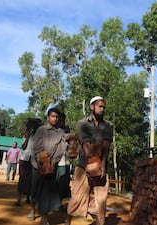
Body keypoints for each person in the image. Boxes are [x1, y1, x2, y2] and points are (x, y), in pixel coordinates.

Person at [66, 96, 113, 225]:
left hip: (101, 167)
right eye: (100, 106)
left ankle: (100, 223)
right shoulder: (82, 124)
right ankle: (67, 221)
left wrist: (102, 163)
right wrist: (89, 164)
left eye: (104, 107)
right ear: (92, 107)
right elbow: (85, 143)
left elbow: (106, 145)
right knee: (77, 197)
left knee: (101, 199)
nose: (102, 109)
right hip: (83, 165)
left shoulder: (108, 125)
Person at [33, 108, 69, 225]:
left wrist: (53, 162)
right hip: (40, 165)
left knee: (50, 191)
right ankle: (39, 214)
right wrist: (42, 160)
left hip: (54, 166)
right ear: (48, 118)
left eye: (57, 117)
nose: (55, 119)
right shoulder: (41, 130)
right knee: (39, 190)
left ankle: (46, 216)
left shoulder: (61, 133)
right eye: (53, 116)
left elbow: (63, 150)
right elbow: (37, 148)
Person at [14, 118, 43, 207]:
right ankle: (22, 199)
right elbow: (23, 146)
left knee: (28, 179)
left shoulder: (38, 135)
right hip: (27, 158)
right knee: (25, 179)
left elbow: (24, 146)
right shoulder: (30, 134)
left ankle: (25, 198)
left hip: (30, 159)